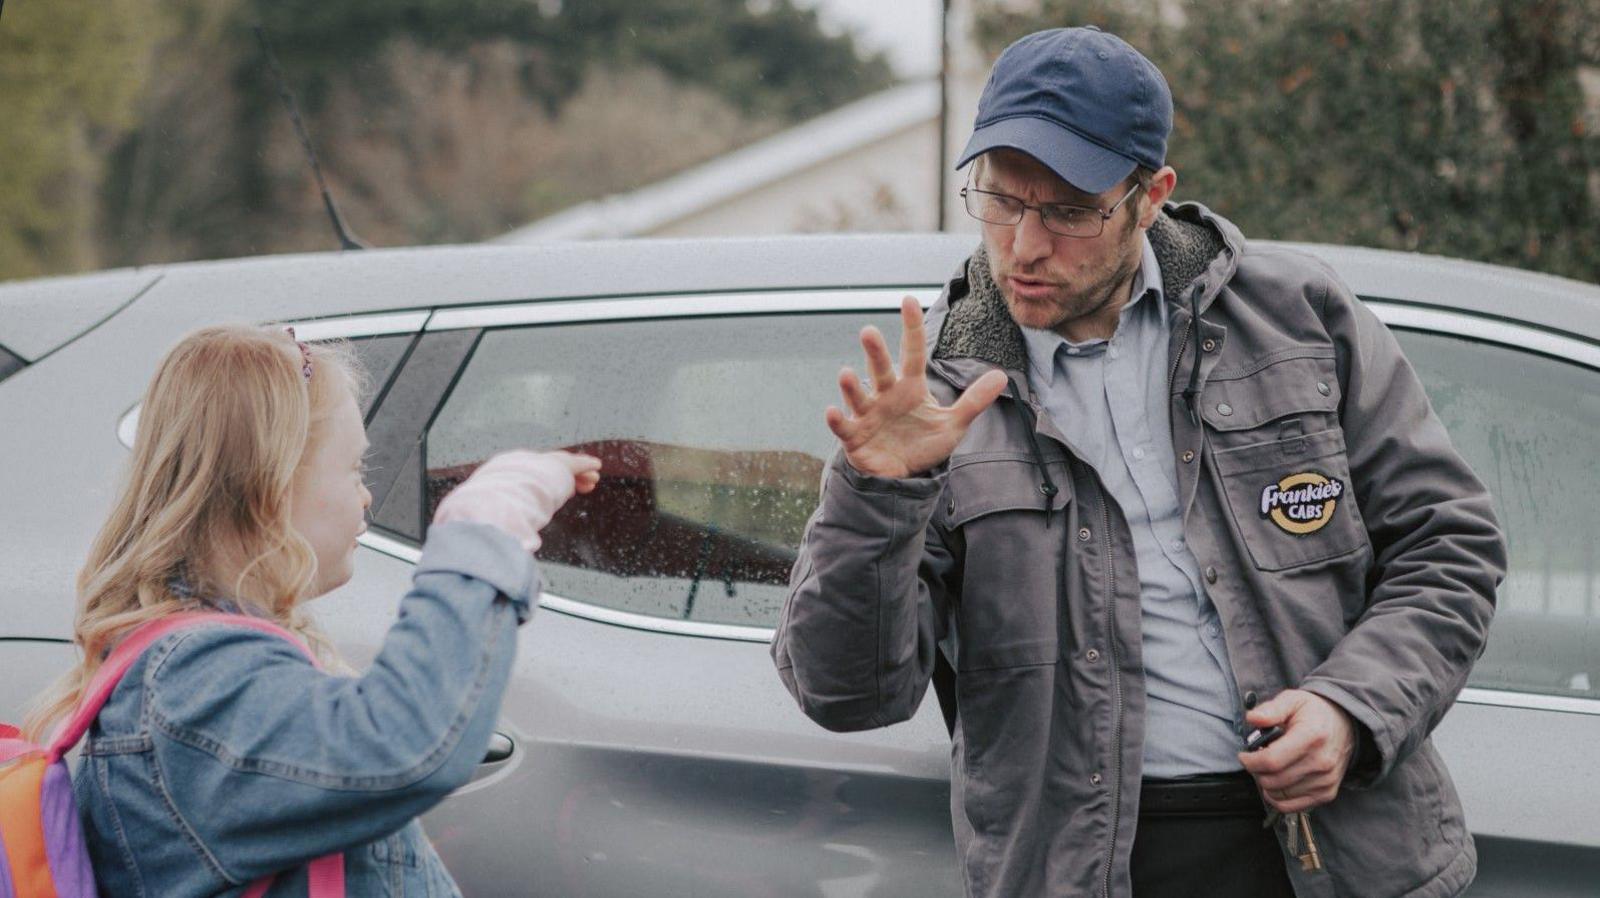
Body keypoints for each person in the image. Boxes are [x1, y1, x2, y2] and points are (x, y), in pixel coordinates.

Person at [771, 25, 1506, 898]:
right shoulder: (931, 400)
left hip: (1342, 855)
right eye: (1002, 201)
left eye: (1071, 211)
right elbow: (849, 696)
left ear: (1151, 195)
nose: (1025, 245)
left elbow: (1448, 546)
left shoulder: (1298, 316)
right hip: (1086, 870)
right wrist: (878, 496)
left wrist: (1354, 709)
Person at [22, 324, 600, 896]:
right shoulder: (195, 682)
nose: (365, 495)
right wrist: (485, 525)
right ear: (270, 485)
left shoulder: (199, 670)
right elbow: (403, 741)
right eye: (354, 470)